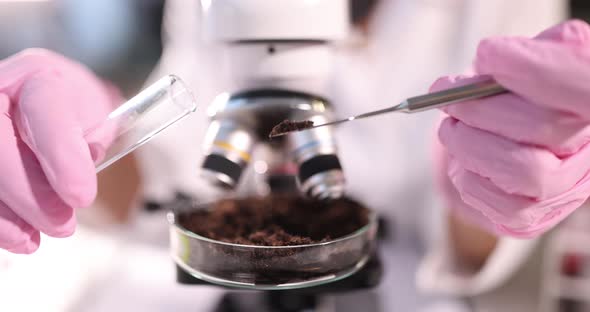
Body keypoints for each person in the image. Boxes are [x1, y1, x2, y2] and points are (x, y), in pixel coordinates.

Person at [0, 0, 587, 310]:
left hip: (404, 280)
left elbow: (464, 241)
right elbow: (165, 178)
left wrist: (493, 176)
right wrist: (87, 132)